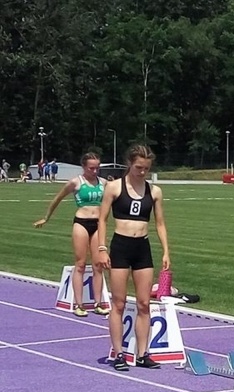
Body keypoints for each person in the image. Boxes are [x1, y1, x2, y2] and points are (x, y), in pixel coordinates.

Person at [97, 145, 170, 371]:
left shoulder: (154, 191)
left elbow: (159, 223)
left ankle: (142, 353)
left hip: (142, 248)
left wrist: (166, 250)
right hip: (120, 246)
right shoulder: (114, 187)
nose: (142, 172)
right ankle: (119, 353)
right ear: (129, 163)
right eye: (138, 167)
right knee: (118, 303)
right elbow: (102, 219)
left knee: (144, 303)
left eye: (146, 168)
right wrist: (101, 248)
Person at [34, 153, 110, 317]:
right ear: (84, 167)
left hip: (98, 225)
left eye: (97, 167)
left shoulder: (104, 183)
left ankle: (98, 303)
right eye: (91, 168)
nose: (95, 171)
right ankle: (79, 304)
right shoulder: (76, 182)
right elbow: (57, 199)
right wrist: (46, 218)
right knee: (80, 264)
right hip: (81, 223)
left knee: (98, 265)